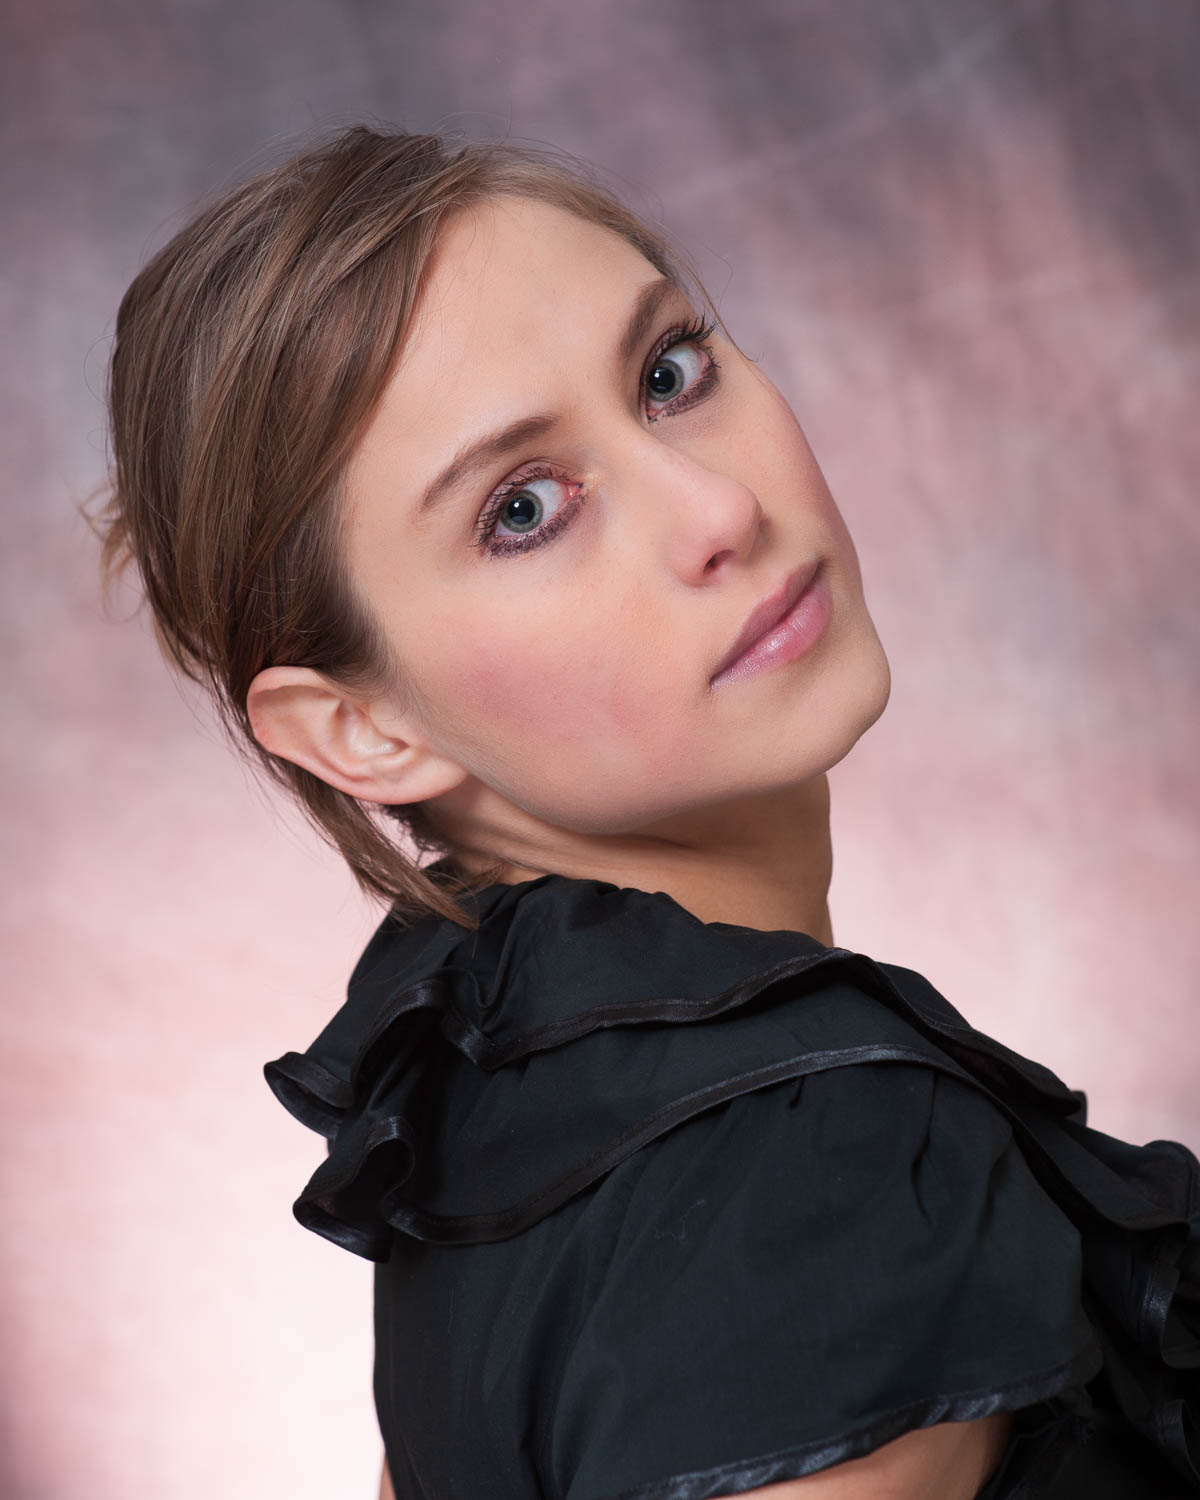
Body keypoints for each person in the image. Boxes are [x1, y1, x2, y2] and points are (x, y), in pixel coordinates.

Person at [89, 124, 1200, 1498]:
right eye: (525, 509)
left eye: (670, 374)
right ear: (360, 729)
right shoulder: (807, 1161)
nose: (718, 506)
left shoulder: (488, 1098)